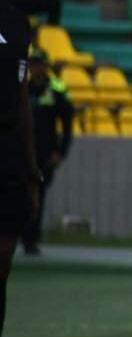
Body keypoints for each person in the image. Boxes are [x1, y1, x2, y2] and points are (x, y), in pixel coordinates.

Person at [0, 0, 38, 337]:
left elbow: (23, 98)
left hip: (7, 159)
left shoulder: (15, 21)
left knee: (1, 269)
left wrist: (31, 169)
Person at [20, 48, 71, 256]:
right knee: (19, 195)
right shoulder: (22, 87)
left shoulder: (57, 90)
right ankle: (19, 236)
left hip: (45, 153)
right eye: (32, 63)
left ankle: (31, 239)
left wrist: (60, 152)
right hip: (22, 152)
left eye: (38, 63)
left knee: (38, 195)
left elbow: (67, 126)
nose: (35, 68)